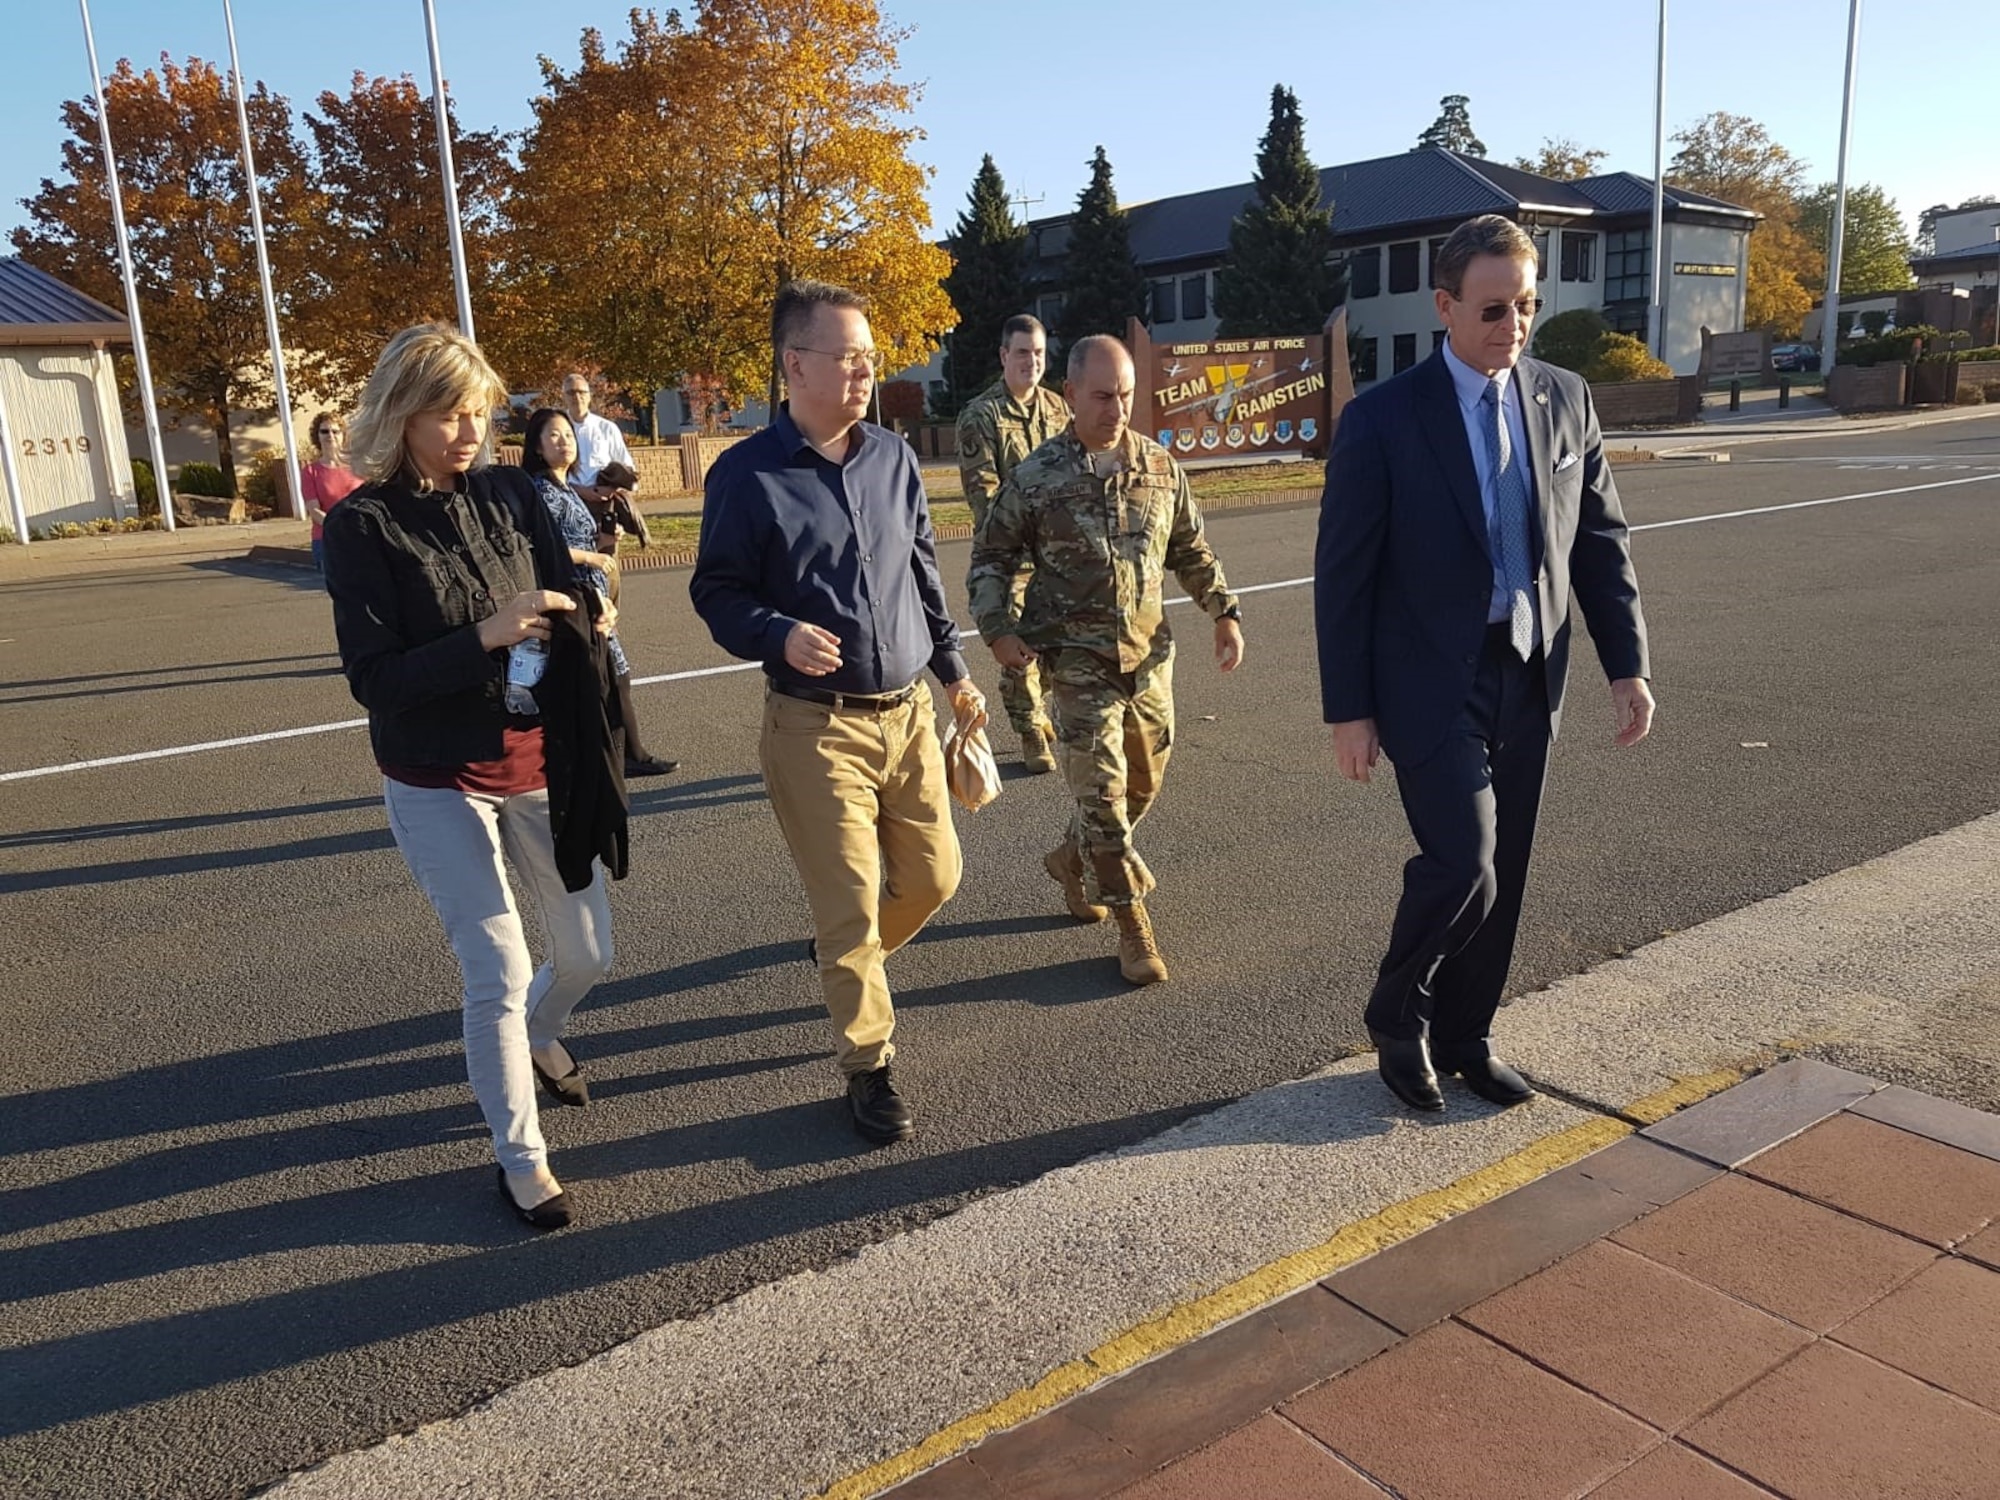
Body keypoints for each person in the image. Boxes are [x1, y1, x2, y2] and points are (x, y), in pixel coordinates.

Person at [1315, 213, 1655, 1114]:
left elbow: (1598, 541)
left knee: (1510, 869)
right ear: (1446, 306)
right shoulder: (1385, 420)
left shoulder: (1563, 398)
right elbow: (1344, 573)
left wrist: (1628, 664)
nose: (1515, 326)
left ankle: (1467, 1036)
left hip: (1531, 668)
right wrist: (1348, 710)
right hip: (1429, 681)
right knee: (1467, 861)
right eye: (1496, 307)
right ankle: (1397, 1012)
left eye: (1528, 306)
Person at [323, 323, 624, 1231]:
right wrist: (485, 637)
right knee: (497, 961)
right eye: (445, 412)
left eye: (478, 411)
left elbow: (558, 575)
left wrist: (587, 606)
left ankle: (536, 1039)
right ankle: (521, 1159)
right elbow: (375, 681)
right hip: (434, 775)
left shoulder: (506, 493)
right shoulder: (361, 524)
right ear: (401, 413)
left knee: (587, 954)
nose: (467, 430)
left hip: (540, 761)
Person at [691, 279, 983, 1145]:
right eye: (846, 357)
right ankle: (868, 1064)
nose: (863, 372)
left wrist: (954, 672)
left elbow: (922, 573)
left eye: (869, 358)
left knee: (936, 878)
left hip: (907, 720)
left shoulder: (892, 459)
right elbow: (715, 592)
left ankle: (843, 962)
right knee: (851, 905)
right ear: (795, 365)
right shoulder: (747, 475)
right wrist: (775, 632)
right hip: (815, 729)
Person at [969, 334, 1244, 987]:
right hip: (1076, 662)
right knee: (1107, 798)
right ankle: (1132, 926)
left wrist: (1225, 612)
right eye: (1101, 395)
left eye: (1124, 395)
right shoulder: (1035, 478)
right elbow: (992, 558)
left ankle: (1071, 856)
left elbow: (1190, 549)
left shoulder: (1158, 467)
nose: (1115, 408)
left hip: (1149, 661)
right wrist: (999, 630)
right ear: (1070, 396)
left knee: (1139, 785)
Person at [519, 406, 678, 779]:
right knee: (608, 675)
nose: (565, 442)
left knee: (608, 676)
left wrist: (605, 541)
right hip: (572, 596)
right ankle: (620, 756)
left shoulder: (567, 489)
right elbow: (538, 547)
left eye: (569, 435)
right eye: (554, 436)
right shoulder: (540, 491)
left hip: (594, 595)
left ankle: (615, 755)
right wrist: (590, 556)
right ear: (538, 447)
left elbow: (588, 543)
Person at [956, 314, 1071, 772]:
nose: (1032, 361)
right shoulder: (980, 416)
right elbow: (983, 496)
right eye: (1022, 352)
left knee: (1055, 642)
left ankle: (1038, 711)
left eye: (1039, 353)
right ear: (1004, 356)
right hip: (1010, 556)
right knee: (1019, 647)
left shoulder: (1059, 410)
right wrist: (1027, 537)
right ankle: (1028, 732)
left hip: (1056, 555)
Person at [300, 413, 361, 579]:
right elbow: (314, 511)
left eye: (335, 431)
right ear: (317, 436)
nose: (330, 436)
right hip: (327, 540)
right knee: (341, 595)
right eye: (324, 431)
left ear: (343, 435)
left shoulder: (358, 467)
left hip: (360, 538)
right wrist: (340, 528)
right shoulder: (310, 472)